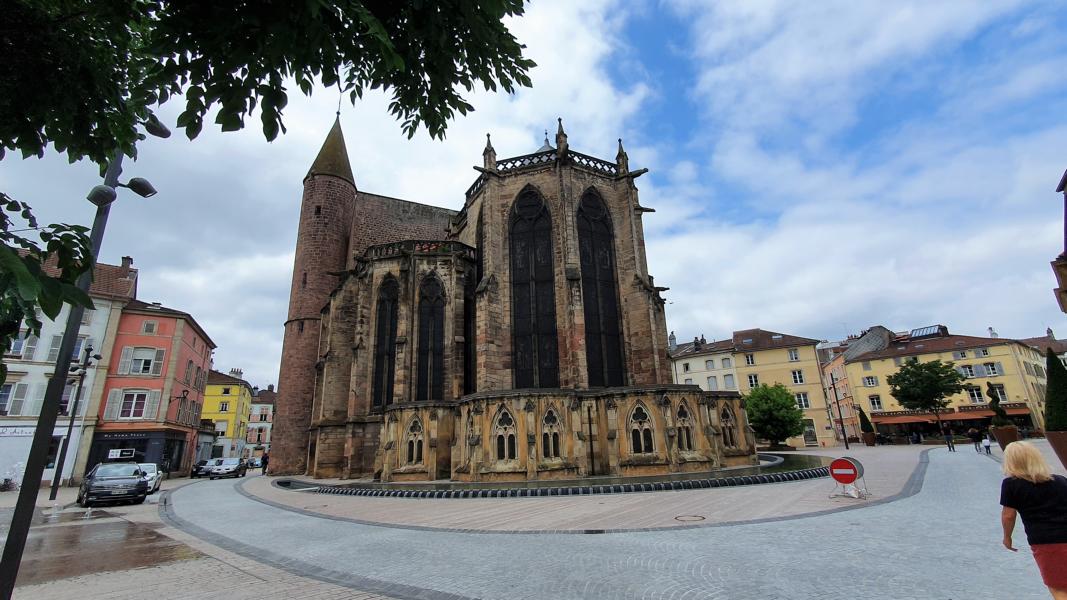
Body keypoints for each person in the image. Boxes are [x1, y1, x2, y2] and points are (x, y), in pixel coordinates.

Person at [1000, 441, 1067, 599]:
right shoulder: (1060, 480)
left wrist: (1007, 537)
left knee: (1059, 587)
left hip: (1047, 542)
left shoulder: (1011, 484)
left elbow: (1008, 515)